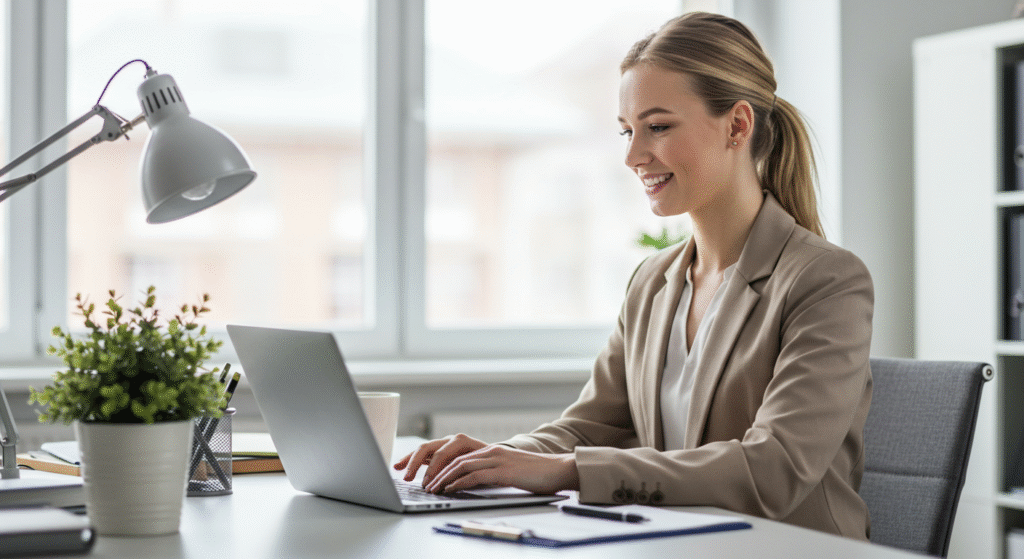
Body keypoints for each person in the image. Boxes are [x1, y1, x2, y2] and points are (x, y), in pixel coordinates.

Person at [394, 11, 873, 540]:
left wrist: (569, 471)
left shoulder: (826, 281)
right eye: (627, 130)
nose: (632, 155)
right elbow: (590, 425)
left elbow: (774, 469)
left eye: (658, 127)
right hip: (681, 544)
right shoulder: (654, 281)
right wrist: (499, 458)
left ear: (737, 125)